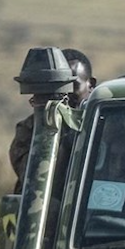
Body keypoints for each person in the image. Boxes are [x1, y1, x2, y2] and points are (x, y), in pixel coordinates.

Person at [8, 48, 96, 193]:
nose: (65, 95)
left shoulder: (102, 127)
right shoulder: (31, 128)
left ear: (91, 85)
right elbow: (35, 179)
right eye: (58, 89)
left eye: (72, 86)